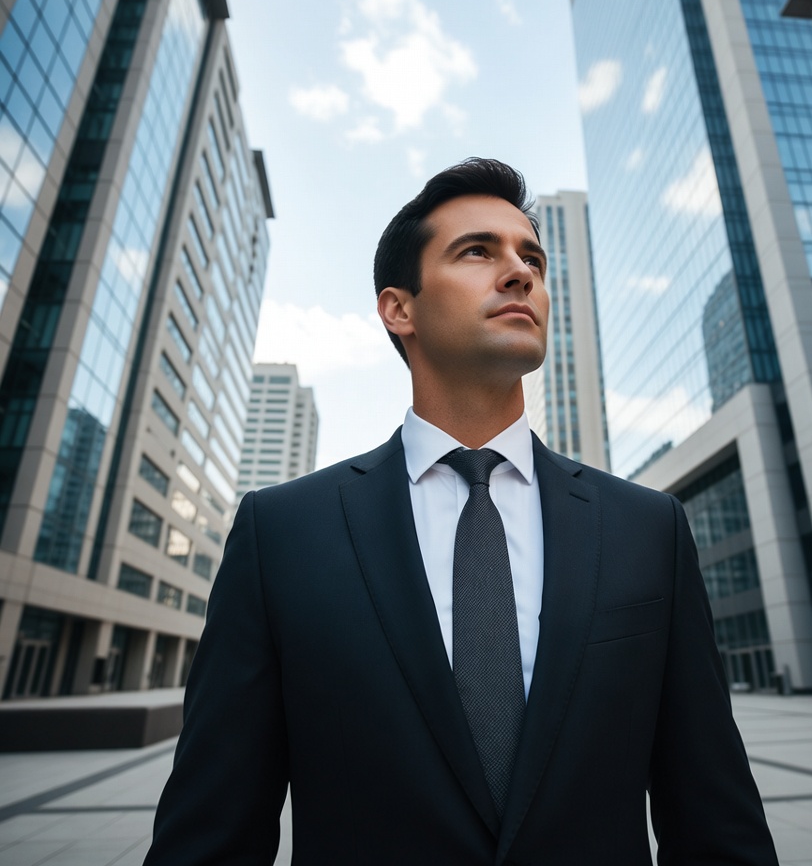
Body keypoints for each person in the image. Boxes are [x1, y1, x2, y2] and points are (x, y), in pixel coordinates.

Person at [145, 158, 778, 865]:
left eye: (531, 256)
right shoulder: (282, 533)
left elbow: (715, 815)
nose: (520, 273)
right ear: (399, 309)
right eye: (478, 251)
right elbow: (212, 828)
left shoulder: (648, 527)